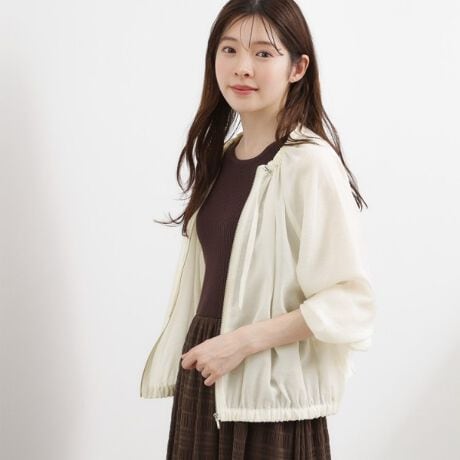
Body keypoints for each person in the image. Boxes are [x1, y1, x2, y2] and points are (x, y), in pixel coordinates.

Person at [140, 1, 377, 458]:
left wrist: (241, 342)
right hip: (207, 377)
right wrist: (217, 348)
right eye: (229, 50)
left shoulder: (309, 163)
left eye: (264, 53)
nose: (242, 67)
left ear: (297, 68)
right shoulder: (221, 159)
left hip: (270, 401)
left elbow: (350, 302)